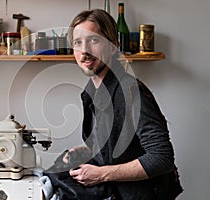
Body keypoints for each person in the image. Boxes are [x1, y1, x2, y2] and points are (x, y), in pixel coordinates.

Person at [50, 9, 182, 200]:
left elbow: (161, 158)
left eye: (94, 40)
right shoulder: (91, 92)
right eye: (78, 43)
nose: (84, 51)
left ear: (113, 46)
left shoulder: (130, 92)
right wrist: (86, 150)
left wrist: (101, 174)